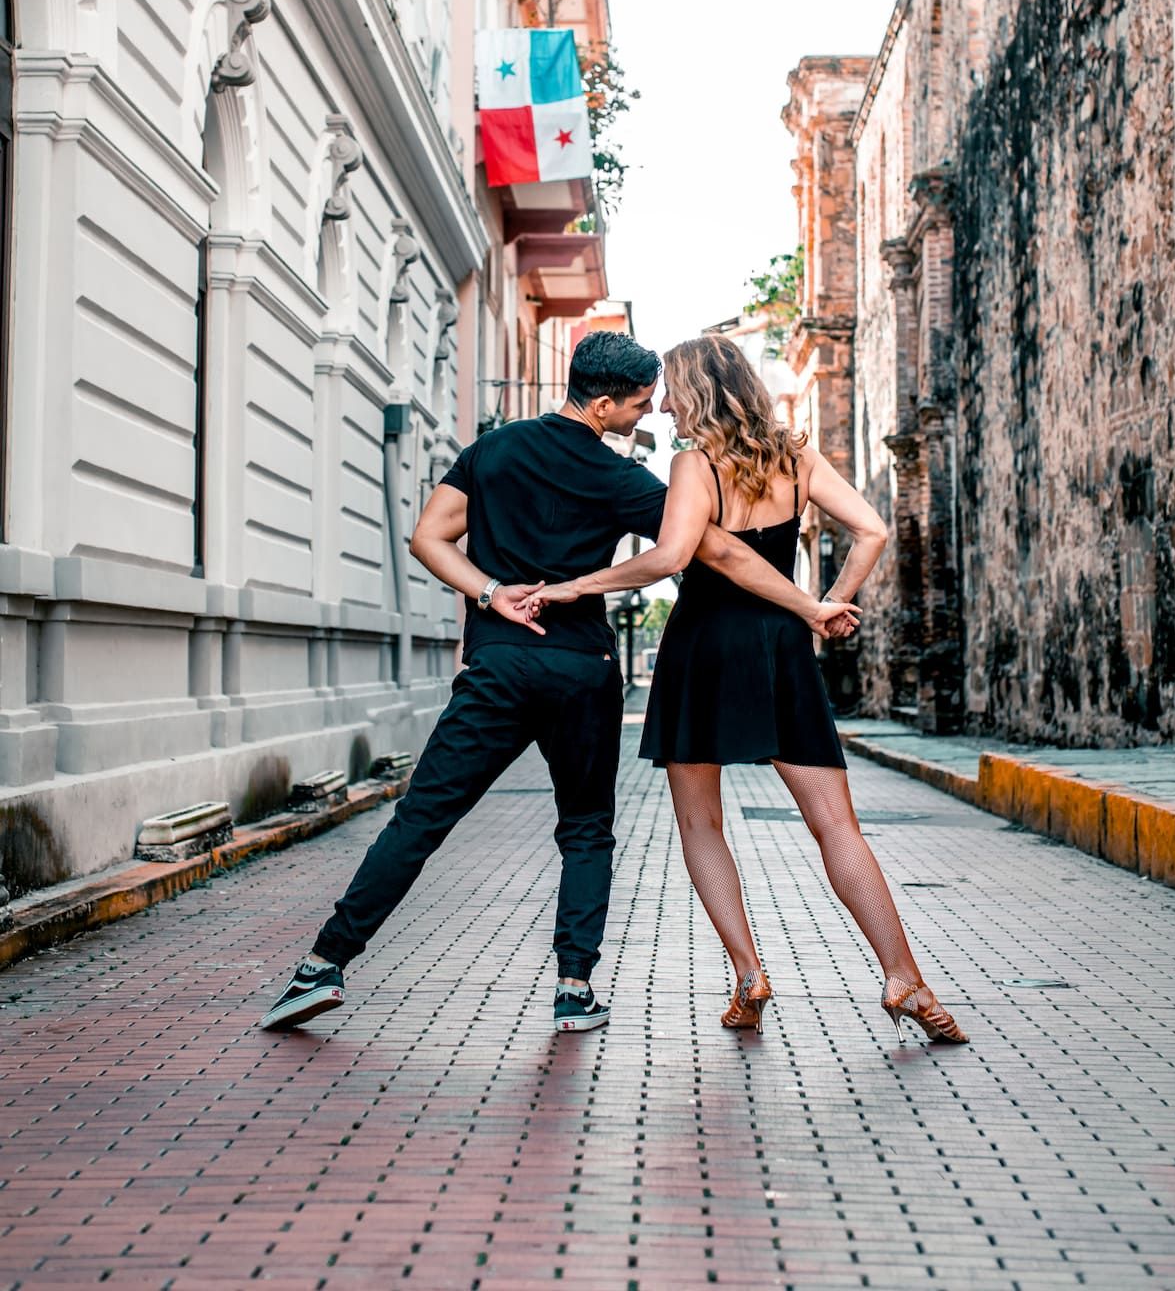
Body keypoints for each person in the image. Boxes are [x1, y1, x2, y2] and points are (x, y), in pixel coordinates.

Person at [261, 332, 859, 1036]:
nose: (647, 416)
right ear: (602, 403)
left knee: (421, 818)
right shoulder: (623, 480)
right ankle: (574, 989)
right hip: (581, 670)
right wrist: (805, 602)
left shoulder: (494, 451)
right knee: (585, 830)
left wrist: (492, 594)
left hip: (498, 667)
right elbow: (708, 547)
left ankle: (322, 966)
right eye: (638, 405)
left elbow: (428, 537)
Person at [524, 334, 968, 1046]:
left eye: (671, 390)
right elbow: (873, 530)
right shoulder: (797, 460)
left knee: (702, 823)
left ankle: (748, 973)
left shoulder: (693, 465)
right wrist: (829, 604)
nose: (663, 404)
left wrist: (577, 586)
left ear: (698, 391)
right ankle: (904, 977)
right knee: (836, 825)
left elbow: (671, 557)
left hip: (704, 643)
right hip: (781, 644)